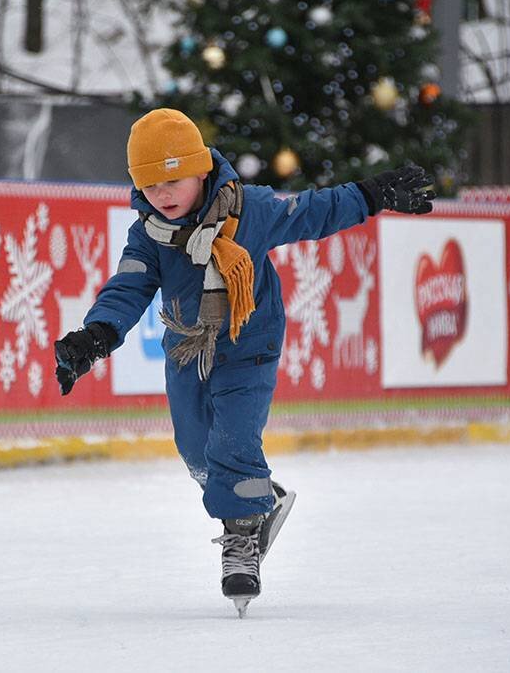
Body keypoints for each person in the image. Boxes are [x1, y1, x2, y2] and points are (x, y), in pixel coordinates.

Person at [54, 108, 434, 615]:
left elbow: (311, 213)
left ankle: (240, 545)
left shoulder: (248, 210)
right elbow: (129, 286)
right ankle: (262, 499)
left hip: (249, 345)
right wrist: (94, 337)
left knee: (233, 443)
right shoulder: (148, 232)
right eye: (150, 186)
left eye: (174, 180)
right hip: (188, 348)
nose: (163, 195)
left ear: (201, 170)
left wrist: (372, 194)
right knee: (195, 448)